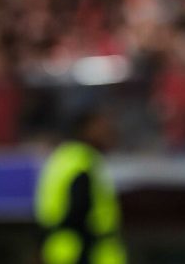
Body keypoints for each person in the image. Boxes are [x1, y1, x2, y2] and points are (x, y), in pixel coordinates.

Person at [34, 108, 126, 264]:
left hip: (60, 251)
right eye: (101, 127)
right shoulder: (82, 162)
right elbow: (78, 212)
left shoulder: (62, 158)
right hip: (82, 253)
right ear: (86, 129)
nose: (109, 132)